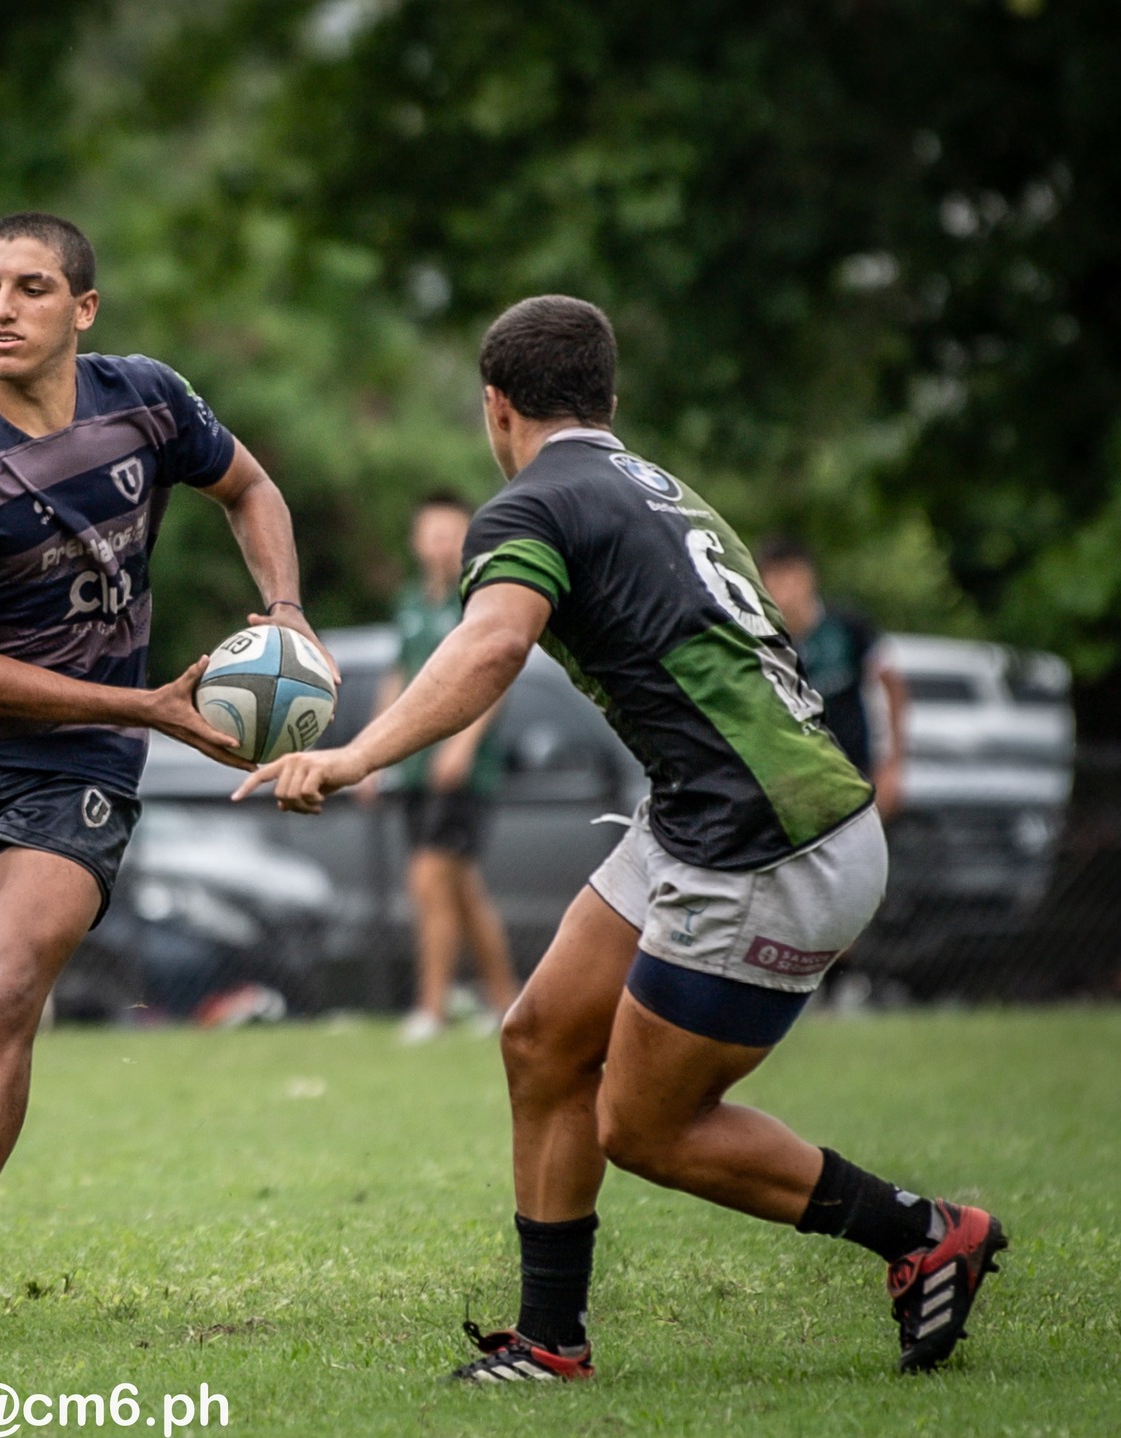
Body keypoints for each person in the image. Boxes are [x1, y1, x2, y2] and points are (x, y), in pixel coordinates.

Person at [239, 296, 1004, 1381]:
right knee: (540, 1037)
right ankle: (550, 1342)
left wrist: (354, 754)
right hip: (720, 815)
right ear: (610, 399)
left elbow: (492, 644)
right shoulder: (657, 488)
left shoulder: (528, 505)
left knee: (643, 1125)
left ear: (493, 406)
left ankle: (924, 1234)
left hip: (763, 843)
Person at [0, 211, 328, 1352]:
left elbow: (250, 489)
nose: (1, 307)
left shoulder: (145, 398)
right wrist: (149, 704)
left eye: (30, 287)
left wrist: (285, 613)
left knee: (2, 993)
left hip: (75, 760)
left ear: (81, 310)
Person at [381, 492, 518, 1042]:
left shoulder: (477, 598)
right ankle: (507, 1001)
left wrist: (460, 746)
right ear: (417, 539)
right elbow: (398, 675)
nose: (441, 541)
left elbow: (496, 674)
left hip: (462, 772)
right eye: (432, 531)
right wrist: (370, 755)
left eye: (451, 531)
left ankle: (431, 1010)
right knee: (462, 889)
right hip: (415, 769)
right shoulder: (412, 601)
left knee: (429, 881)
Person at [755, 536, 910, 817]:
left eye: (792, 575)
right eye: (775, 577)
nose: (785, 588)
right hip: (790, 788)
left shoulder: (847, 627)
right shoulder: (761, 641)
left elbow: (893, 686)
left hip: (854, 776)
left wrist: (893, 765)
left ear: (810, 577)